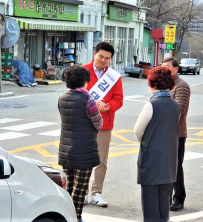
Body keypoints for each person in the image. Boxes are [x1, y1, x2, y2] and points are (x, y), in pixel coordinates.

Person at [134, 66, 180, 222]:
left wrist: (146, 144)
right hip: (169, 161)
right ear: (171, 84)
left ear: (151, 84)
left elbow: (138, 131)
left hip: (151, 160)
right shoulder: (175, 105)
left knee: (150, 206)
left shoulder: (151, 105)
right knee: (163, 203)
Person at [58, 65, 103, 222]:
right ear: (85, 81)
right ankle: (76, 218)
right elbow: (98, 122)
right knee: (80, 188)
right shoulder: (88, 100)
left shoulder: (62, 97)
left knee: (69, 186)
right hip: (84, 149)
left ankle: (66, 217)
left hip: (66, 148)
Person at [83, 42, 124, 207]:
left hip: (104, 123)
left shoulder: (114, 77)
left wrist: (107, 106)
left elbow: (119, 99)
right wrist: (93, 103)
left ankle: (96, 193)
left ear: (111, 59)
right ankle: (82, 192)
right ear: (94, 54)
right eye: (101, 56)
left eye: (107, 58)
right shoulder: (83, 70)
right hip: (84, 122)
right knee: (83, 158)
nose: (103, 60)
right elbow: (75, 92)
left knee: (101, 160)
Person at [162, 57, 191, 211]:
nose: (164, 69)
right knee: (163, 166)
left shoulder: (182, 86)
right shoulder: (163, 84)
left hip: (176, 133)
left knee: (175, 167)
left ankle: (179, 198)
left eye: (167, 66)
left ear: (176, 69)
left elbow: (179, 109)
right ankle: (165, 197)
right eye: (162, 66)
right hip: (162, 133)